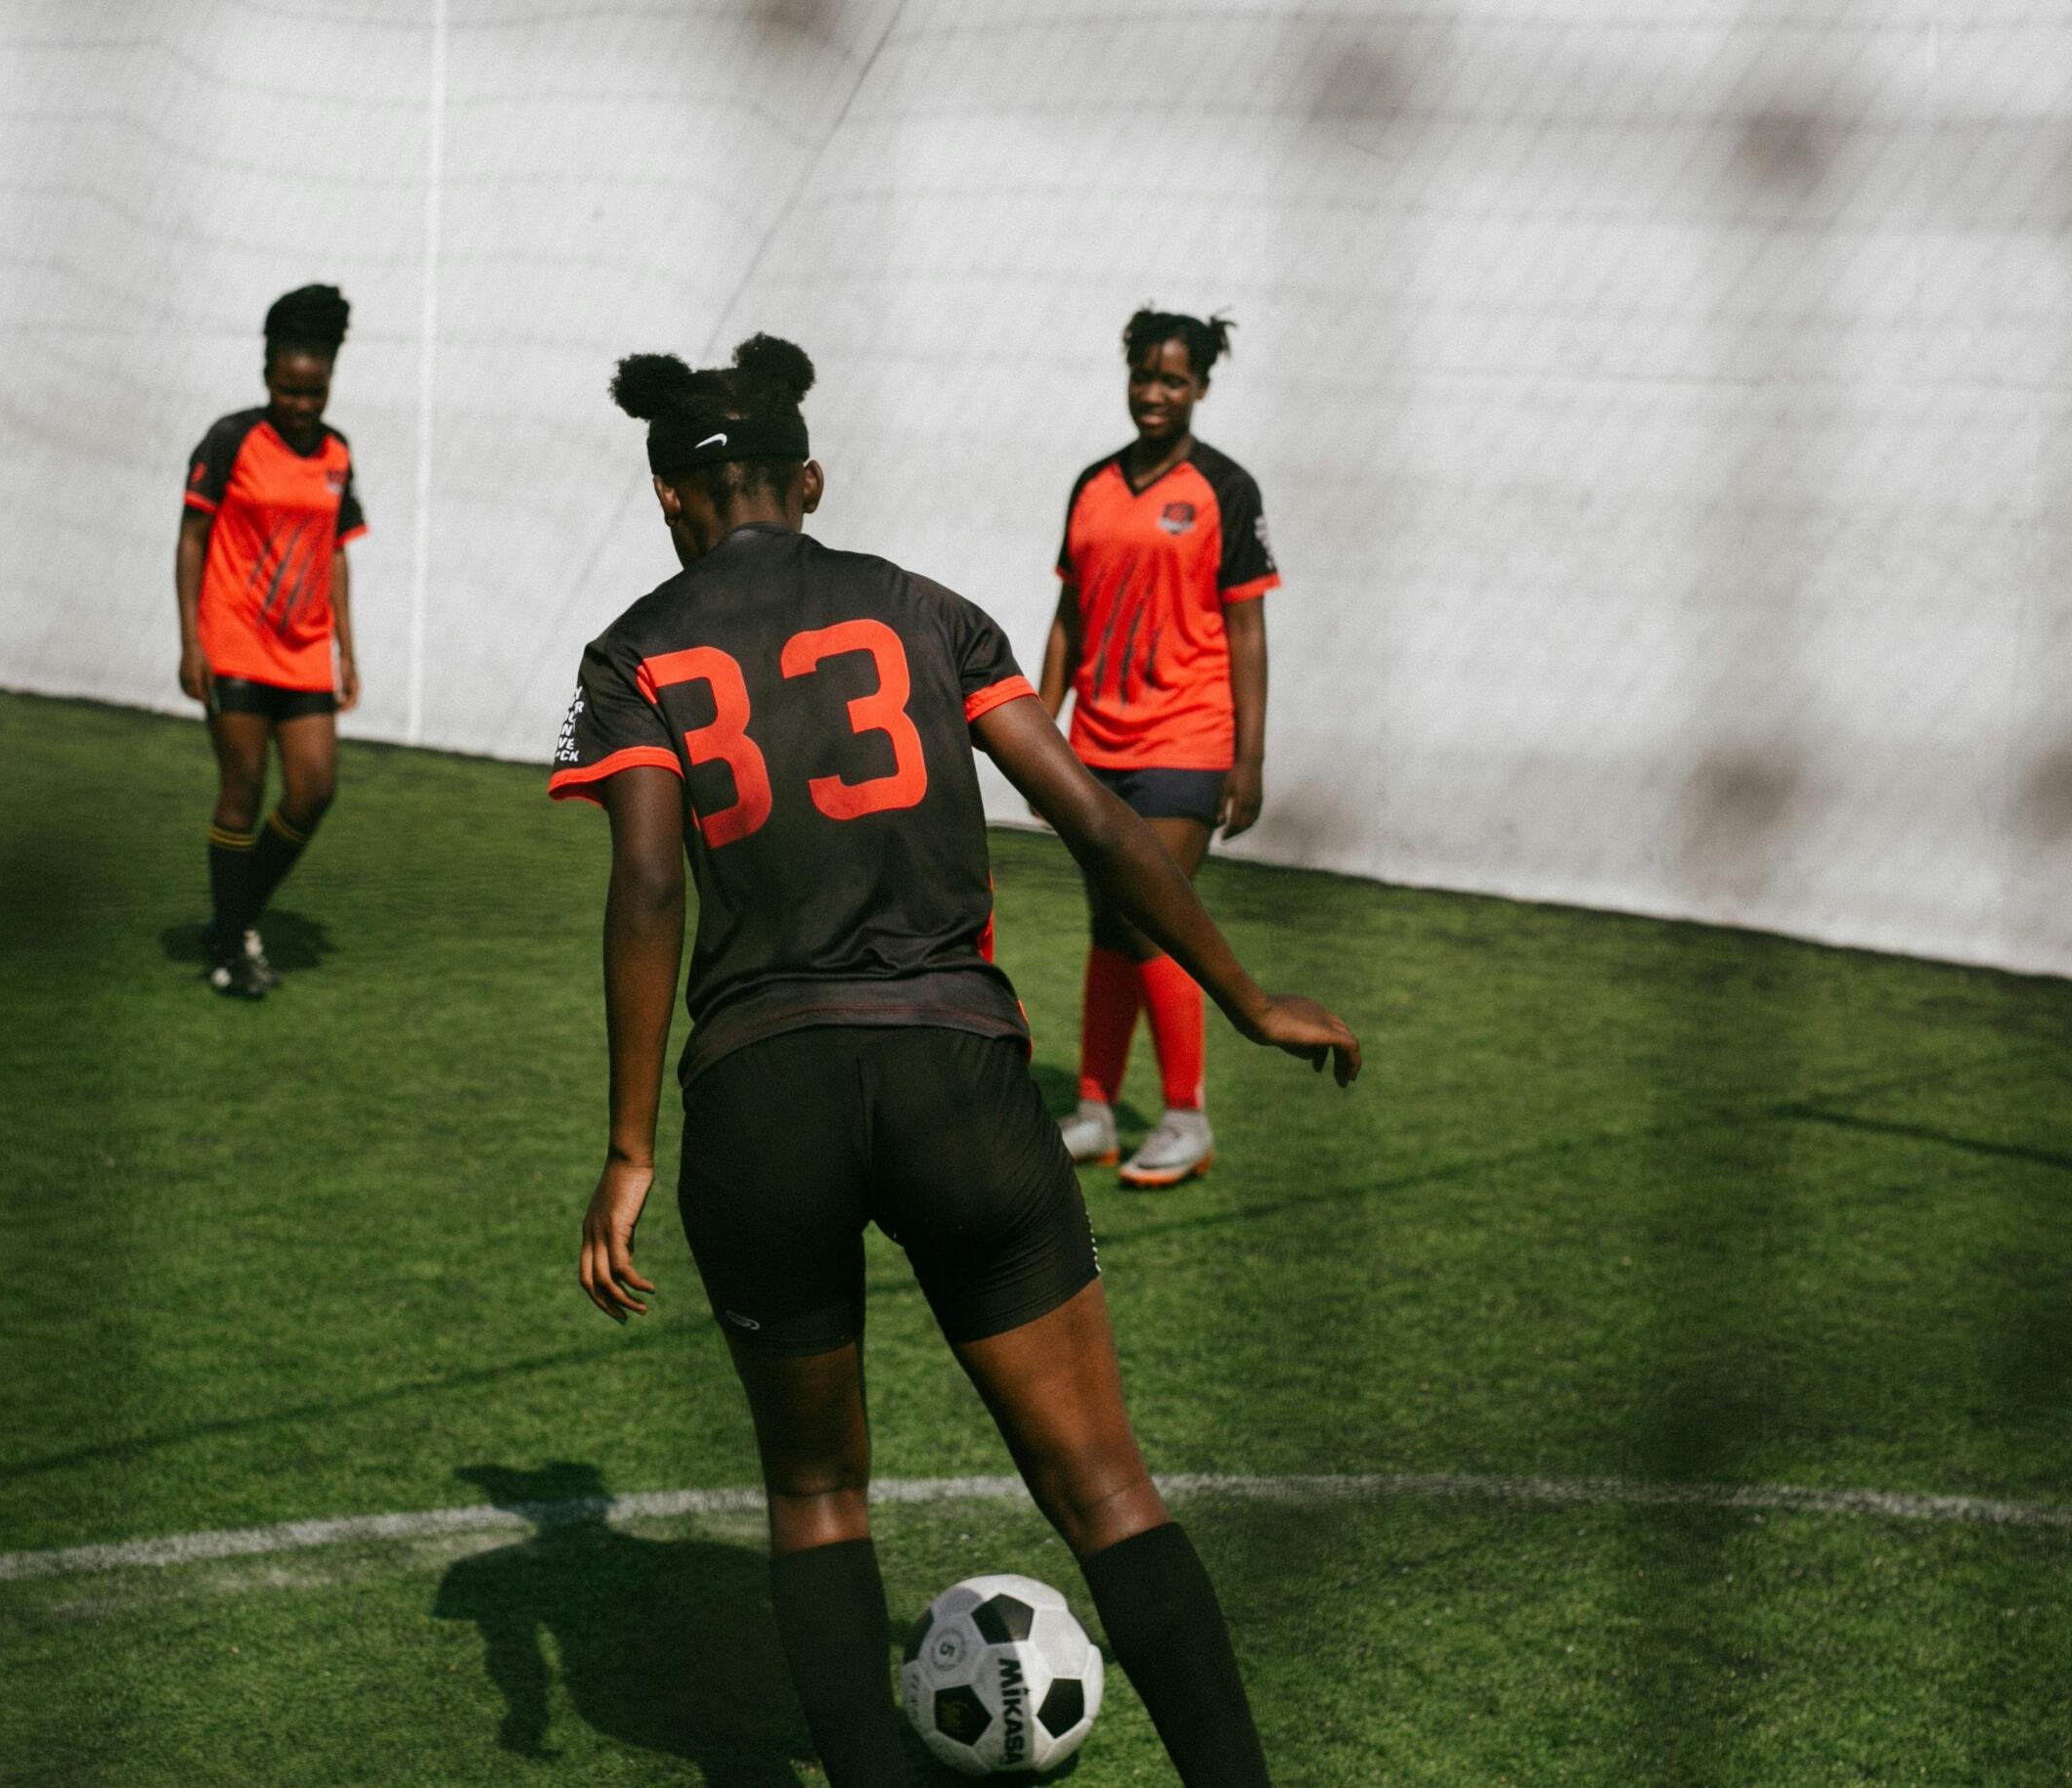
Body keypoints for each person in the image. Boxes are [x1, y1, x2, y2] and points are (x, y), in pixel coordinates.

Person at [551, 334, 1359, 1786]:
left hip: (762, 1092)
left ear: (668, 496)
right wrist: (1241, 997)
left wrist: (627, 1150)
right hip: (958, 1080)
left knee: (815, 1498)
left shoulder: (634, 653)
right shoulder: (929, 613)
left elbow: (651, 888)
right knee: (1105, 1485)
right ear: (808, 483)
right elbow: (1103, 825)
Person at [1039, 309, 1280, 1186]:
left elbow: (1247, 630)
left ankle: (1186, 1117)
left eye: (1172, 380)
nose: (1153, 393)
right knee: (1109, 919)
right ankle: (1097, 1112)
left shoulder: (1227, 488)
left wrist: (1247, 758)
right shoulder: (1092, 484)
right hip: (1095, 738)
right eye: (1143, 375)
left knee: (1153, 914)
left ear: (1202, 388)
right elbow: (1068, 616)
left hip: (1188, 735)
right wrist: (1041, 728)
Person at [175, 283, 366, 998]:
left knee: (314, 788)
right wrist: (191, 640)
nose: (301, 405)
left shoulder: (337, 453)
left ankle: (232, 916)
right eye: (289, 390)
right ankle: (232, 946)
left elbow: (336, 551)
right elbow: (192, 537)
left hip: (304, 647)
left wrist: (347, 647)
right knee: (245, 785)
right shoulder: (231, 440)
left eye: (313, 393)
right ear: (267, 378)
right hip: (233, 640)